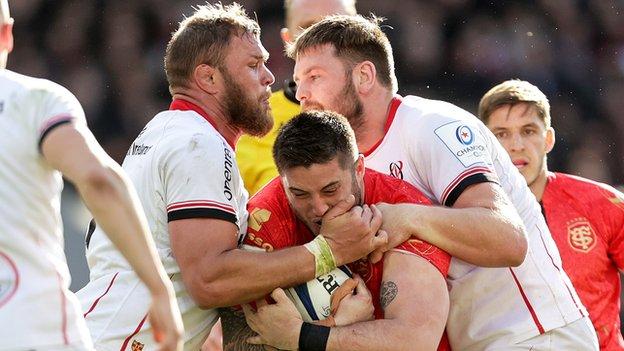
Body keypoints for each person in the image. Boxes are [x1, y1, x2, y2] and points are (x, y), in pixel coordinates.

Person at [77, 4, 386, 350]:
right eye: (254, 66)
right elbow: (209, 280)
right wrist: (329, 251)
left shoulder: (166, 132)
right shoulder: (199, 145)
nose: (269, 77)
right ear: (208, 78)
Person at [281, 14, 599, 350]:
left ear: (364, 75)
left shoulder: (432, 127)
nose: (300, 93)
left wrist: (409, 217)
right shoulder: (347, 162)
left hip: (535, 335)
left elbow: (509, 239)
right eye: (298, 81)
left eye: (314, 77)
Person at [0, 1, 183, 350]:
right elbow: (98, 180)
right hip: (34, 331)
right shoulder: (35, 100)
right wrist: (158, 289)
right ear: (8, 34)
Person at [228, 110, 450, 350]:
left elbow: (416, 340)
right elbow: (236, 340)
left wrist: (302, 337)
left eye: (330, 189)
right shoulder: (265, 217)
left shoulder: (402, 209)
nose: (319, 208)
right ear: (282, 181)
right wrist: (335, 325)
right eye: (300, 194)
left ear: (359, 168)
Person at [478, 79, 624, 350]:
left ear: (548, 139)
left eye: (529, 130)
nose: (516, 145)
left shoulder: (603, 204)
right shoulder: (463, 216)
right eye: (501, 134)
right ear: (482, 144)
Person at [236, 0, 357, 196]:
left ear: (359, 33)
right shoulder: (252, 124)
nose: (323, 40)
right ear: (288, 40)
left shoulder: (389, 113)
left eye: (336, 25)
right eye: (308, 28)